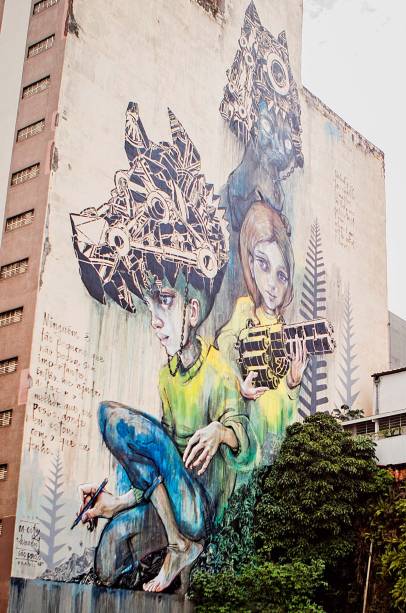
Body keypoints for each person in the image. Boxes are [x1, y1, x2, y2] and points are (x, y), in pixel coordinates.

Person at [78, 270, 257, 592]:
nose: (156, 321)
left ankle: (180, 545)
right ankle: (156, 530)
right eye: (151, 309)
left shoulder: (220, 374)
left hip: (199, 509)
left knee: (112, 417)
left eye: (165, 302)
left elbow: (248, 448)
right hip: (172, 500)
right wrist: (121, 500)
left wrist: (221, 432)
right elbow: (159, 461)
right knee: (108, 561)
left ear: (191, 311)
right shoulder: (168, 377)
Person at [216, 201, 307, 463]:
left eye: (281, 275)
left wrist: (292, 383)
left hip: (273, 452)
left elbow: (286, 417)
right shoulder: (244, 313)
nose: (272, 285)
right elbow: (224, 350)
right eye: (263, 265)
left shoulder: (287, 335)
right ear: (250, 261)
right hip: (243, 448)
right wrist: (238, 382)